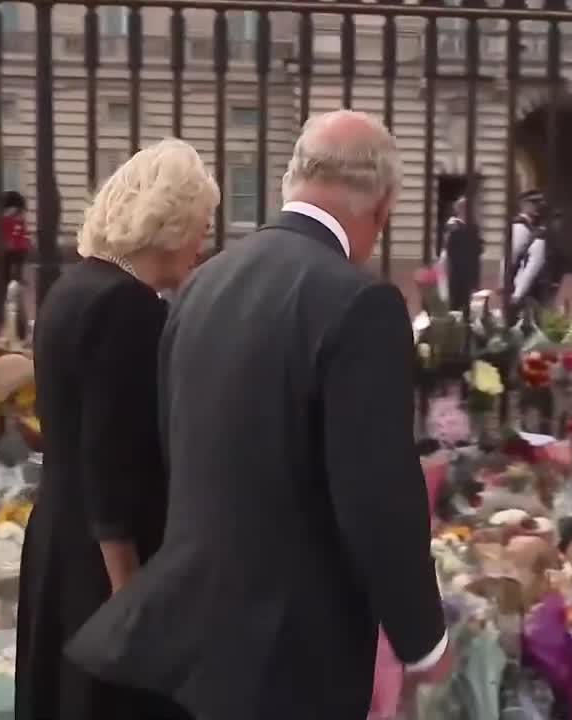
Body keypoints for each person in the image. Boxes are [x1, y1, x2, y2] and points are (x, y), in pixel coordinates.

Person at [67, 110, 452, 720]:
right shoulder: (361, 301)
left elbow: (179, 449)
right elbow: (376, 496)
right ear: (381, 208)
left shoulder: (202, 284)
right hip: (300, 653)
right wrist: (425, 641)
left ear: (291, 182)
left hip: (203, 642)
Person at [15, 138, 217, 720]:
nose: (202, 246)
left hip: (59, 533)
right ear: (170, 223)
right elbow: (111, 459)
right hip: (103, 559)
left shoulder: (73, 289)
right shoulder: (128, 308)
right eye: (200, 226)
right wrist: (130, 598)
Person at [438, 195, 482, 312]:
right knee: (456, 304)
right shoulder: (454, 226)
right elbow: (451, 250)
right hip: (457, 273)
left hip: (468, 272)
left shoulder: (472, 226)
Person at [1, 190, 30, 283]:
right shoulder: (5, 219)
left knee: (19, 263)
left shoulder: (20, 220)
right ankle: (7, 277)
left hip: (19, 245)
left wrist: (25, 241)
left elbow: (23, 232)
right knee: (7, 263)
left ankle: (17, 277)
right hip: (8, 246)